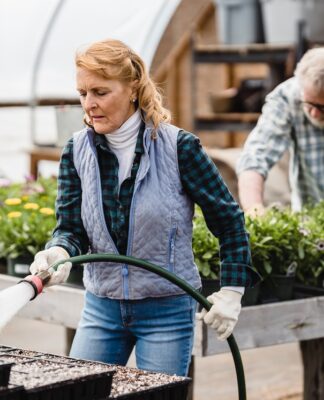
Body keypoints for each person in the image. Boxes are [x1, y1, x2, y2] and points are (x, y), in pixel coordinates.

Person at [30, 39, 259, 376]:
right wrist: (58, 251)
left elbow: (228, 220)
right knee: (77, 388)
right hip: (101, 308)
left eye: (100, 92)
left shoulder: (179, 148)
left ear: (132, 88)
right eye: (83, 93)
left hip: (167, 311)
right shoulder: (76, 151)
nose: (89, 104)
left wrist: (231, 290)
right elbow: (71, 228)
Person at [236, 47, 324, 215]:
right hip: (310, 222)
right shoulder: (288, 97)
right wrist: (254, 209)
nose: (314, 113)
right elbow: (256, 155)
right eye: (309, 104)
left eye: (322, 107)